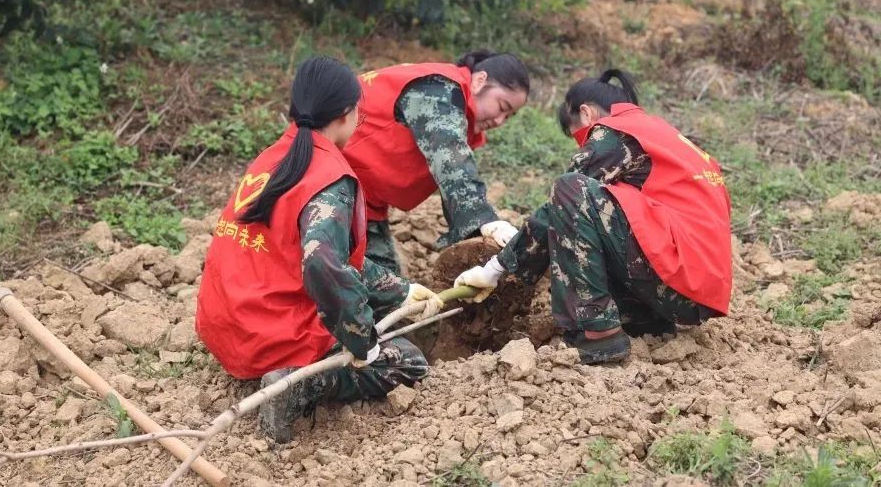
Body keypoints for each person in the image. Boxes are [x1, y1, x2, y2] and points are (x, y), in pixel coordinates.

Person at [195, 56, 444, 442]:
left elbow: (314, 256)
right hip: (268, 336)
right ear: (347, 113)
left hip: (226, 327)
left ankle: (285, 367)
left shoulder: (274, 157)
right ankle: (297, 386)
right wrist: (364, 343)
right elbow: (323, 265)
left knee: (355, 300)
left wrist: (401, 290)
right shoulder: (329, 176)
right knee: (407, 360)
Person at [455, 69, 732, 364]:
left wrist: (495, 269)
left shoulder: (616, 133)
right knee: (606, 207)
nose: (584, 145)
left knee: (570, 190)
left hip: (678, 281)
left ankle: (596, 331)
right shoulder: (663, 136)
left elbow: (560, 207)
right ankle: (641, 322)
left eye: (580, 138)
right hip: (696, 291)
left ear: (586, 114)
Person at [342, 51, 531, 274]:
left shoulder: (458, 114)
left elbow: (450, 186)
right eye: (502, 107)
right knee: (355, 288)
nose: (500, 121)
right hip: (323, 186)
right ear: (479, 81)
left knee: (388, 290)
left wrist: (479, 240)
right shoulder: (437, 90)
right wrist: (484, 219)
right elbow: (450, 162)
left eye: (508, 117)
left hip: (362, 204)